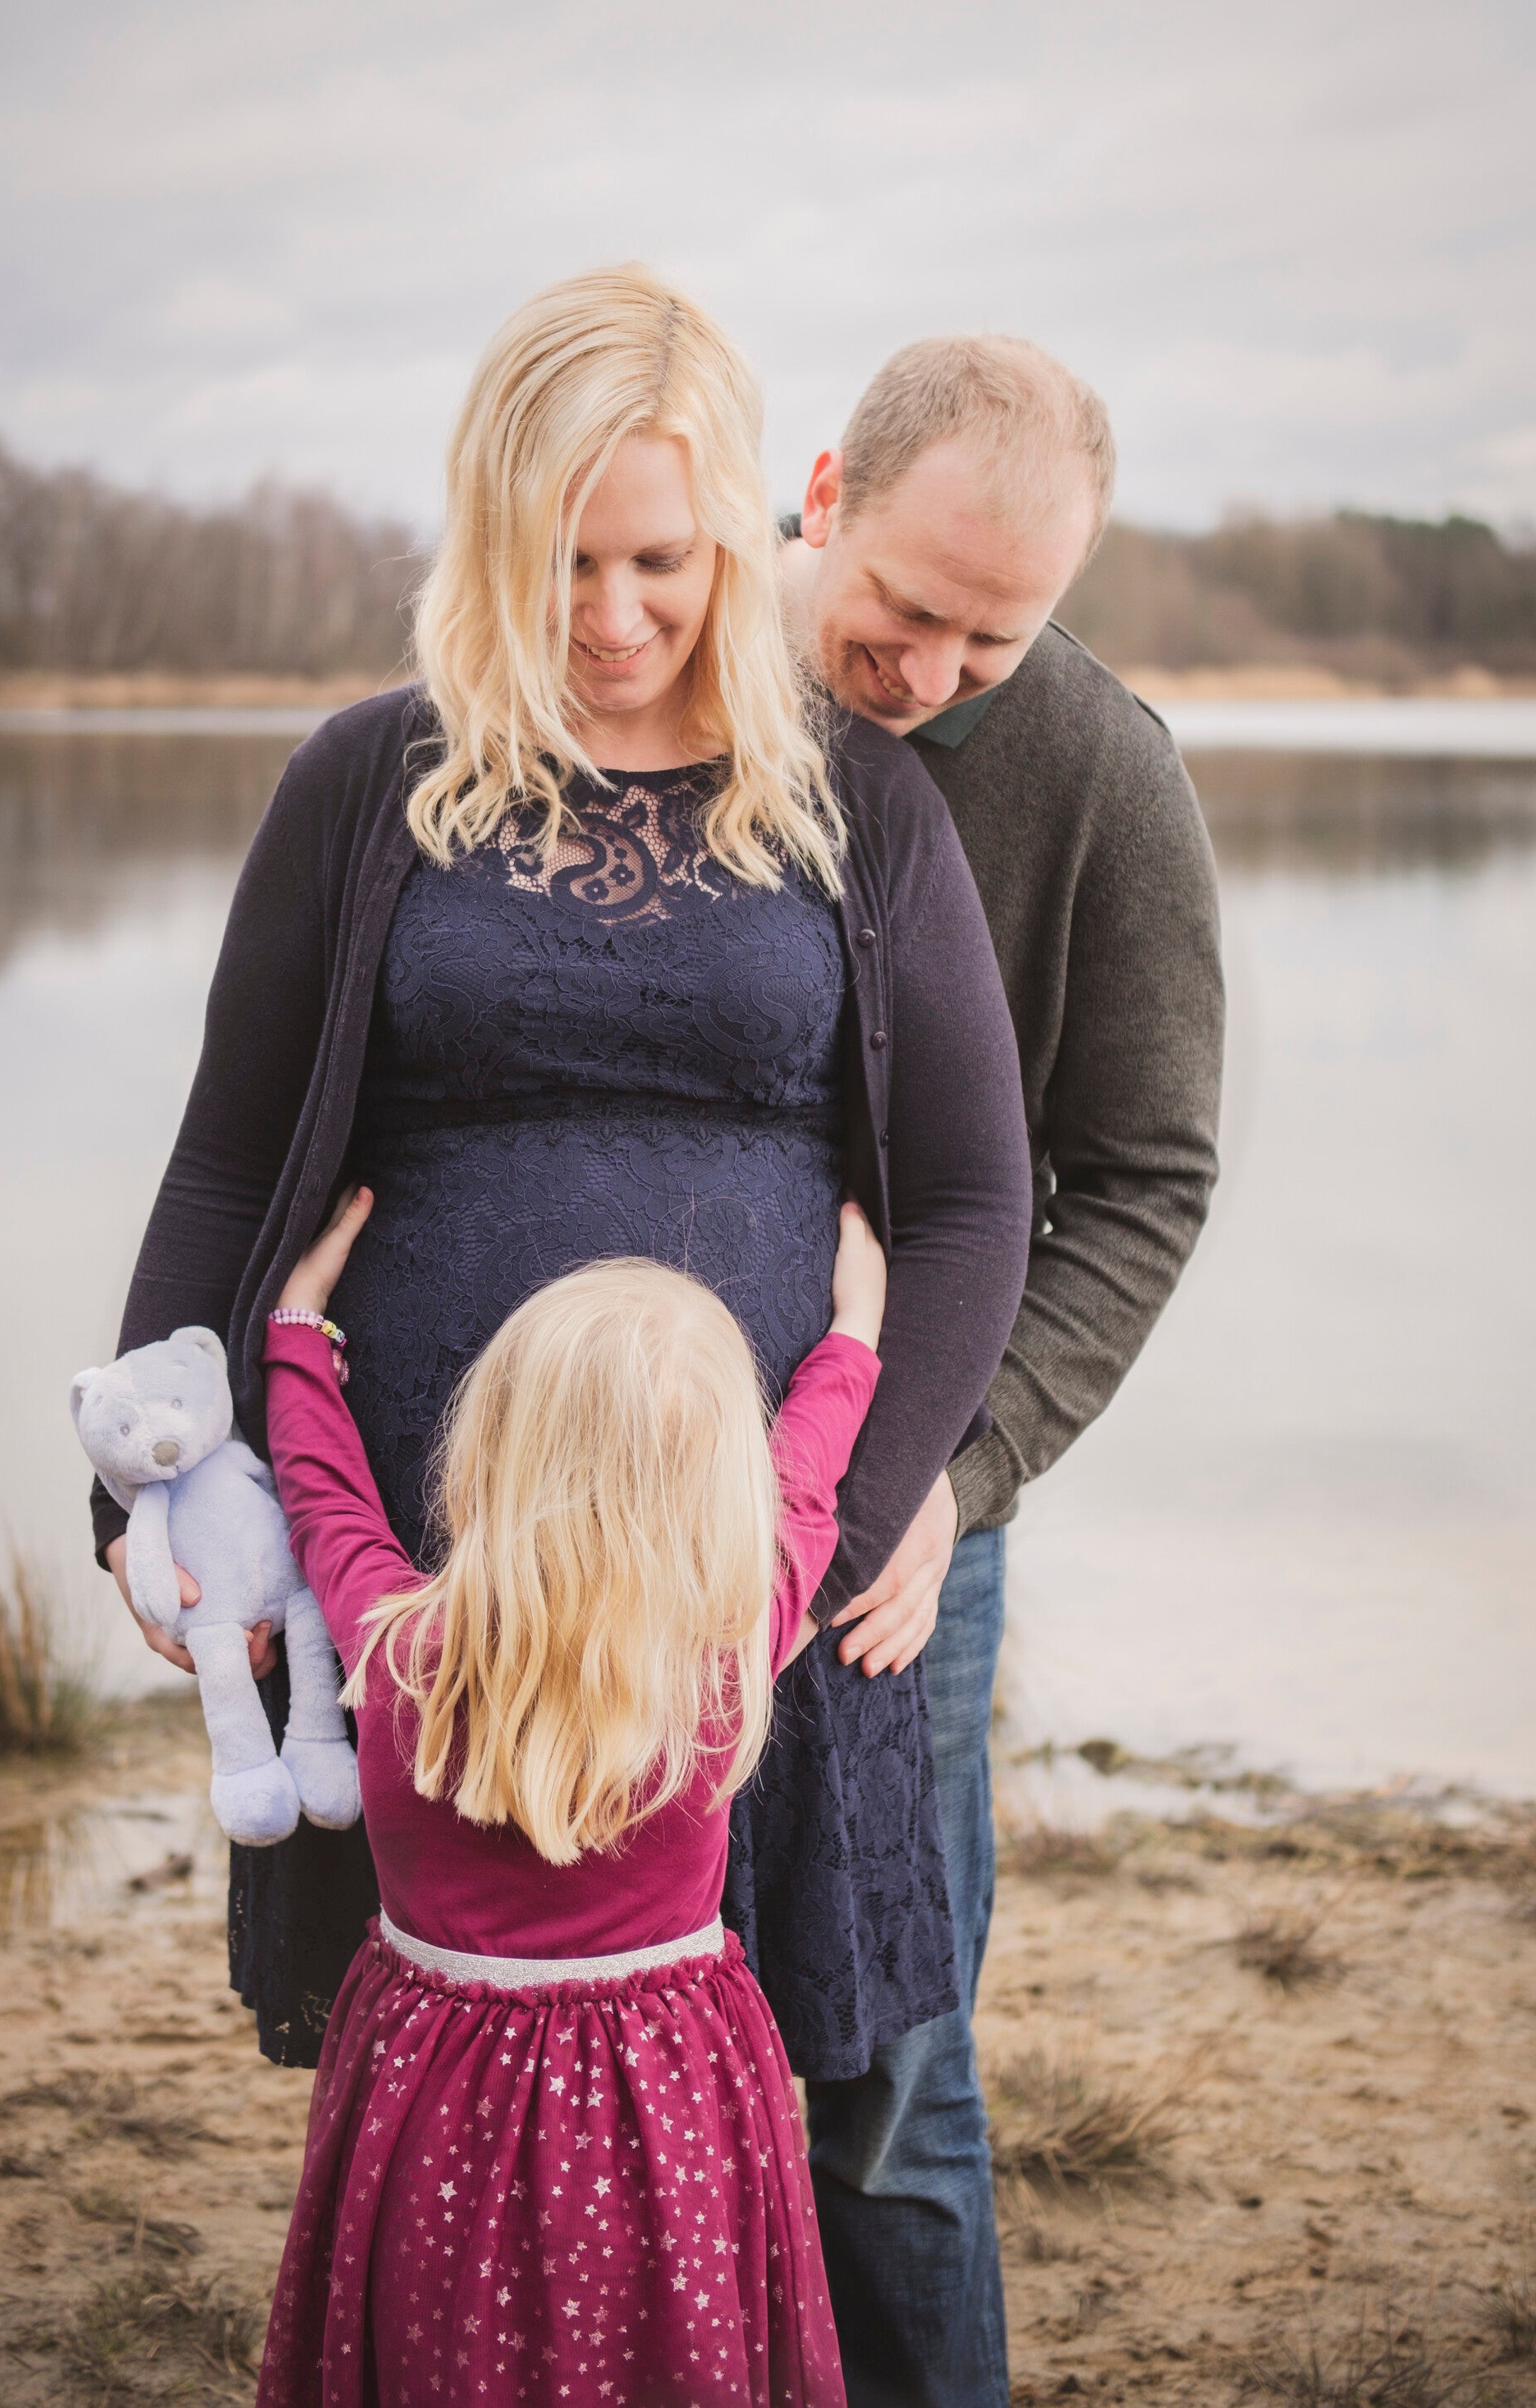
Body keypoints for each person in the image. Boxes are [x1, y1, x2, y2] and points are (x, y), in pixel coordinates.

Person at [91, 270, 1033, 2092]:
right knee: (438, 2071)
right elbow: (225, 1157)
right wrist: (149, 1486)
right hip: (426, 1579)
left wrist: (825, 1545)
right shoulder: (367, 779)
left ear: (736, 538)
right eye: (564, 561)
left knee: (766, 2103)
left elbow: (978, 1205)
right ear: (488, 534)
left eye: (661, 561)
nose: (613, 617)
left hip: (744, 1590)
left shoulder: (859, 801)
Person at [756, 336, 1226, 2406]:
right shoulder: (653, 656)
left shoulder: (1103, 771)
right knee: (589, 2021)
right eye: (906, 608)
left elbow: (1145, 1177)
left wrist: (965, 1471)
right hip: (606, 1477)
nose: (932, 673)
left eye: (995, 640)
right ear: (826, 489)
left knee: (889, 2076)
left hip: (906, 1517)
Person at [253, 1189, 887, 2405]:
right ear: (720, 1493)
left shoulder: (400, 1651)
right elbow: (806, 1482)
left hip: (439, 2079)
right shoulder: (722, 1659)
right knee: (666, 2342)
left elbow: (323, 1494)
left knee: (451, 2340)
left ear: (485, 1450)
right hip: (666, 2081)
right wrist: (852, 1332)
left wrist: (299, 1330)